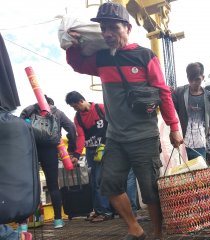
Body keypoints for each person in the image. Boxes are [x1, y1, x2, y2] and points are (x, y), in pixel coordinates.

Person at [65, 2, 183, 239]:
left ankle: (158, 233)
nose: (108, 34)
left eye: (113, 28)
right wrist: (73, 44)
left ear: (128, 28)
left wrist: (174, 126)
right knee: (109, 185)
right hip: (115, 138)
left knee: (150, 190)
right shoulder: (101, 59)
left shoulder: (145, 56)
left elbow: (163, 92)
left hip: (143, 137)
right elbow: (77, 64)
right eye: (104, 29)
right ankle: (135, 227)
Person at [20, 95, 77, 229]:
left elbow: (19, 128)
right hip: (50, 151)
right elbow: (72, 128)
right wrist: (71, 148)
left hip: (32, 150)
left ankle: (23, 224)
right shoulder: (57, 112)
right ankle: (58, 220)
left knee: (29, 186)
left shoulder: (29, 110)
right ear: (51, 103)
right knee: (53, 185)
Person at [65, 91, 114, 222]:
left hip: (105, 149)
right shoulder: (78, 117)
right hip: (91, 151)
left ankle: (106, 212)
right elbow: (81, 136)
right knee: (92, 181)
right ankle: (98, 210)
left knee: (100, 180)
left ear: (81, 101)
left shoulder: (101, 108)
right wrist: (76, 154)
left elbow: (113, 123)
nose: (75, 109)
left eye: (75, 106)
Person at [172, 63, 210, 165]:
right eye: (191, 80)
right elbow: (171, 109)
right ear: (187, 78)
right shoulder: (179, 93)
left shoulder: (209, 98)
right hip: (181, 143)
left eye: (197, 79)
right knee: (183, 175)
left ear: (203, 77)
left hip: (200, 143)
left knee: (199, 174)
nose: (194, 83)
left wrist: (207, 131)